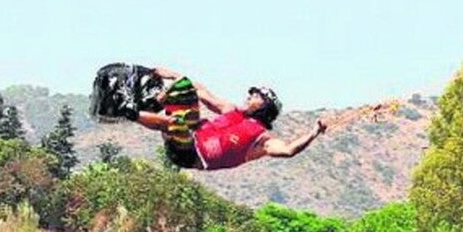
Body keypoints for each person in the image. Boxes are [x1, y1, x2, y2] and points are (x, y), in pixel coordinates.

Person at [90, 63, 326, 170]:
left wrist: (314, 132)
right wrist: (170, 74)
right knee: (184, 89)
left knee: (175, 124)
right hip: (190, 135)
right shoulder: (230, 109)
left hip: (191, 155)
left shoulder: (262, 139)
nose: (250, 94)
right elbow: (200, 90)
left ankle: (126, 110)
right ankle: (143, 100)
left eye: (256, 95)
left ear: (265, 107)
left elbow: (288, 150)